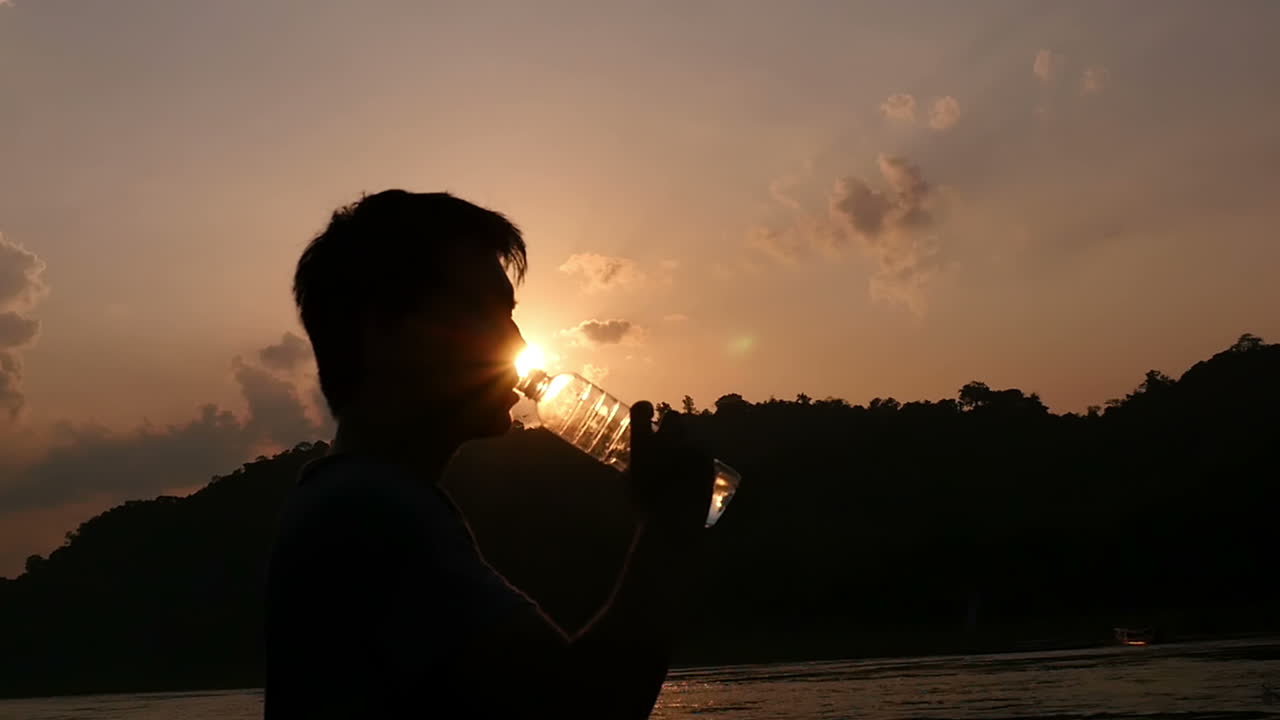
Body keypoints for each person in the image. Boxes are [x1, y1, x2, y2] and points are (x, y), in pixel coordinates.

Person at [265, 190, 714, 719]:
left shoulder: (358, 500)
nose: (517, 342)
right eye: (484, 313)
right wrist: (665, 532)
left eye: (511, 314)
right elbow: (585, 710)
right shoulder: (369, 515)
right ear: (384, 331)